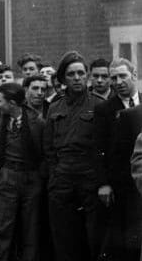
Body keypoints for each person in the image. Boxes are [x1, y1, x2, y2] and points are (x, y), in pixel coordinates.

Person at [44, 51, 102, 261]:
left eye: (80, 73)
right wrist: (55, 174)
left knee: (93, 235)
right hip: (62, 178)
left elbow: (103, 146)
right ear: (63, 79)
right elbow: (48, 146)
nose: (77, 78)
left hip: (89, 177)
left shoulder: (98, 105)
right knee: (64, 237)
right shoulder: (54, 107)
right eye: (71, 74)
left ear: (87, 75)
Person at [0, 82, 44, 261]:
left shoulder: (37, 122)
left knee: (30, 234)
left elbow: (47, 153)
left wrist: (38, 177)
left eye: (0, 101)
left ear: (13, 104)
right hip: (6, 179)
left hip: (32, 181)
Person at [104, 58, 142, 261]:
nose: (118, 82)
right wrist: (107, 183)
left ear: (134, 75)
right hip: (126, 185)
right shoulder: (106, 109)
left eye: (123, 76)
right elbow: (108, 153)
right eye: (114, 78)